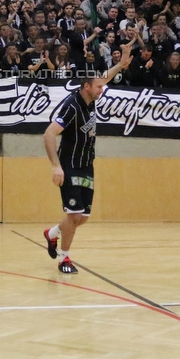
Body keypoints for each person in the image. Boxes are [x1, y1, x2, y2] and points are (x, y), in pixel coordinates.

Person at [43, 38, 135, 274]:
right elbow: (49, 134)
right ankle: (64, 258)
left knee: (82, 218)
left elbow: (102, 78)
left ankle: (52, 233)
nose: (102, 89)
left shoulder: (91, 96)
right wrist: (56, 166)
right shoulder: (71, 106)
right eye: (98, 87)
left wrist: (121, 65)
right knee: (73, 215)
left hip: (87, 165)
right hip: (70, 165)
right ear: (86, 87)